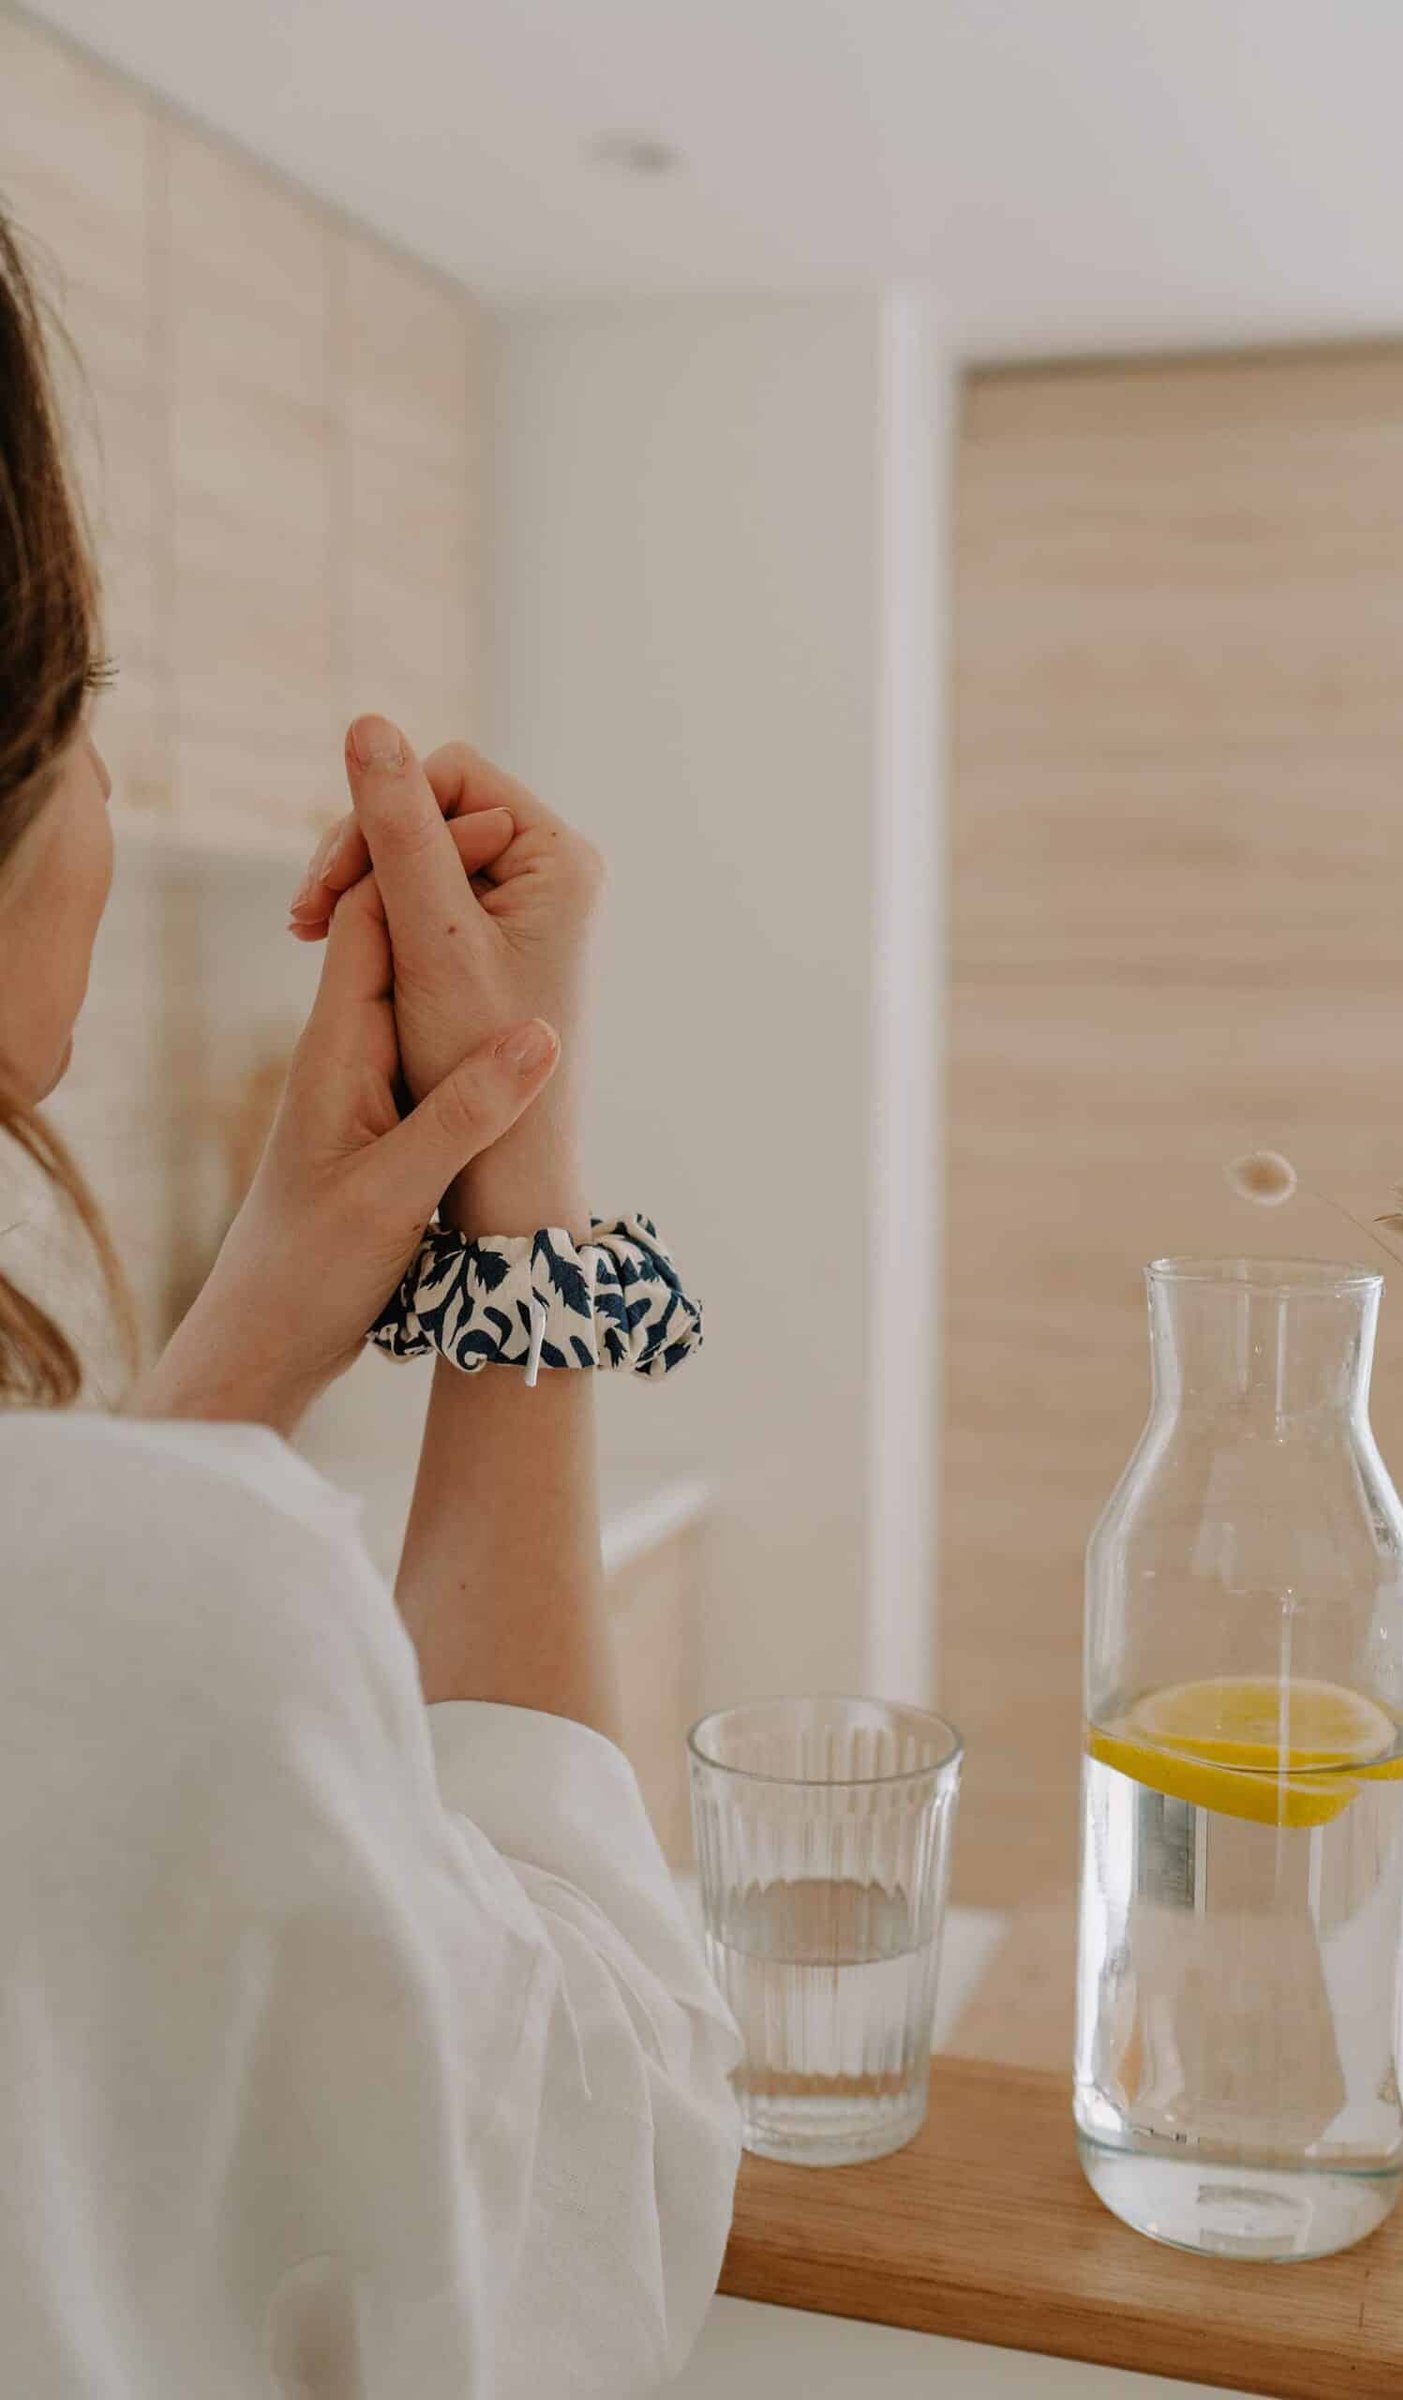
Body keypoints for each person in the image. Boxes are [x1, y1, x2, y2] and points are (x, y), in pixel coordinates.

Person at [0, 210, 740, 2395]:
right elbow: (597, 2170)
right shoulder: (188, 1596)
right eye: (84, 715)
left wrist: (250, 1338)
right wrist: (522, 1183)